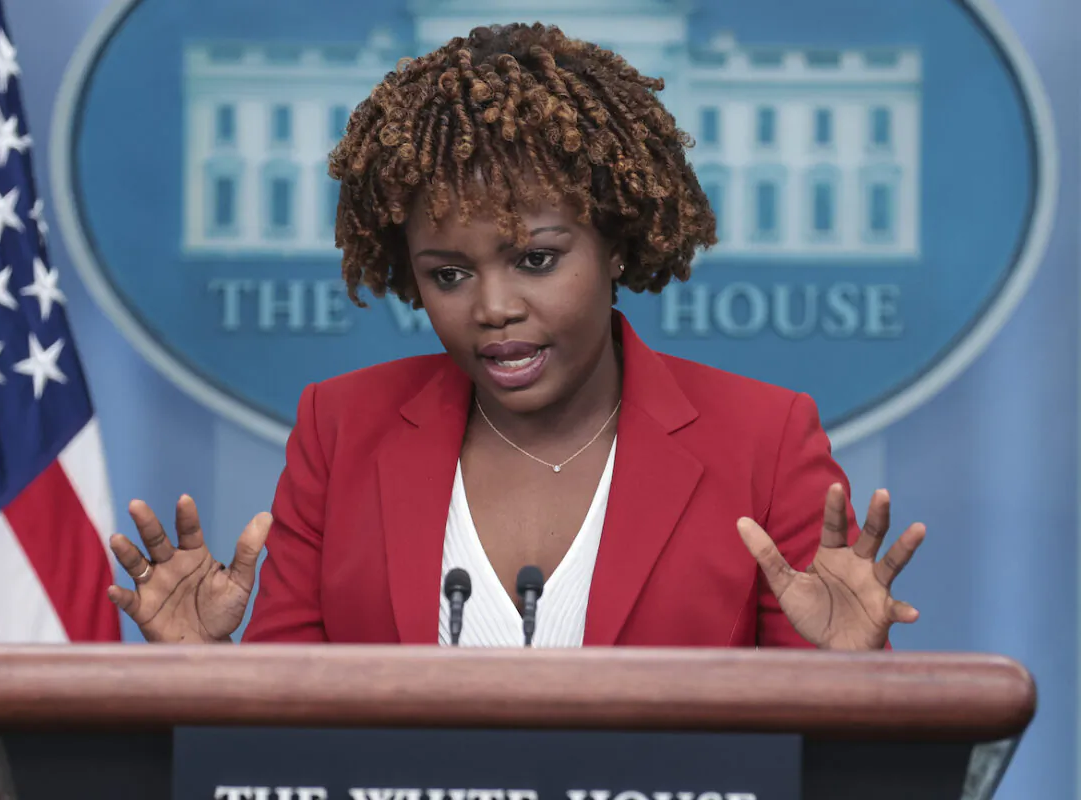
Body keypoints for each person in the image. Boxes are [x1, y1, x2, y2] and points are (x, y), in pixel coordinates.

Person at [106, 22, 925, 650]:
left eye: (535, 259)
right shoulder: (339, 428)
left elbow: (816, 761)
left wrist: (848, 670)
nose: (492, 306)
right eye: (449, 274)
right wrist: (203, 669)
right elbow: (290, 742)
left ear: (615, 242)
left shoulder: (764, 442)